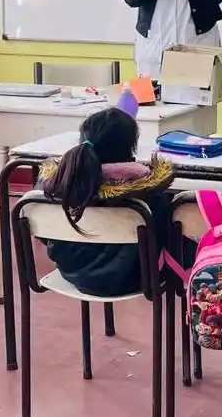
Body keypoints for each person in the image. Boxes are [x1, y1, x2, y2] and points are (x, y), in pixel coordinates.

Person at [37, 108, 177, 297]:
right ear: (130, 150)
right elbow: (163, 237)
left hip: (72, 274)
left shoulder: (52, 188)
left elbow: (43, 232)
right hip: (135, 279)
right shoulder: (149, 193)